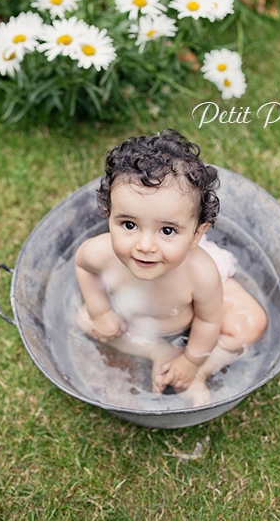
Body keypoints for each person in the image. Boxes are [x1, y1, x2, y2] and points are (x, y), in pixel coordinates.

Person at [74, 129, 267, 407]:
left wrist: (191, 360)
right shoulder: (100, 252)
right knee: (86, 319)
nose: (145, 245)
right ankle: (158, 352)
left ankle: (198, 373)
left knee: (250, 323)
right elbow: (82, 266)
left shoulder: (201, 273)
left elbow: (208, 320)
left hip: (196, 311)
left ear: (196, 235)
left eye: (167, 230)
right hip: (142, 322)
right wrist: (100, 310)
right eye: (129, 225)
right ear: (108, 215)